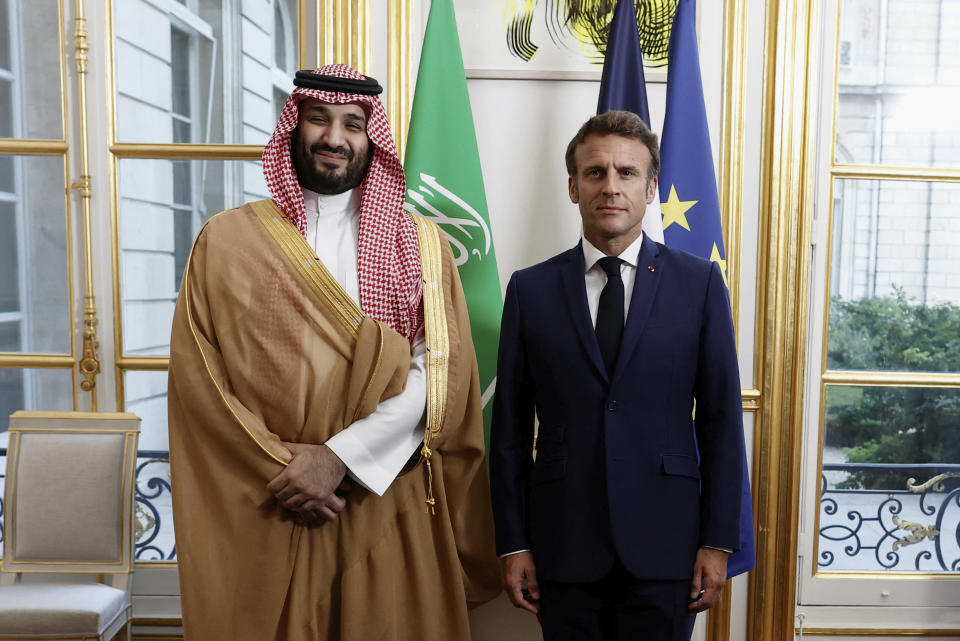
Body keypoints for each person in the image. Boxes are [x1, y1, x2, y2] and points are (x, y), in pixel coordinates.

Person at [168, 64, 500, 641]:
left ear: (373, 140)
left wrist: (339, 458)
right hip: (273, 497)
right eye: (318, 119)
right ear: (293, 127)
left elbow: (438, 375)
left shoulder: (419, 244)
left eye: (353, 124)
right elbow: (204, 382)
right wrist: (289, 469)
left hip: (380, 497)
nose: (334, 137)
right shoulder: (227, 242)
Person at [490, 110, 744, 641]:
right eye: (595, 172)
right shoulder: (529, 291)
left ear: (651, 188)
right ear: (573, 187)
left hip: (669, 548)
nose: (611, 186)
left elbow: (720, 422)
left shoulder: (698, 286)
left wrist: (718, 542)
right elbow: (509, 433)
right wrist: (513, 543)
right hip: (562, 548)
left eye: (627, 173)